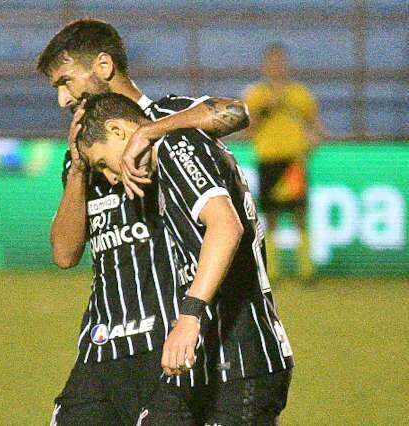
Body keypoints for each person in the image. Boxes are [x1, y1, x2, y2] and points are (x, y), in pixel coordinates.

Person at [36, 19, 249, 425]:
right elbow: (64, 254)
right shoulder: (86, 150)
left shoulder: (172, 120)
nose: (64, 98)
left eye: (65, 81)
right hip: (101, 348)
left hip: (165, 347)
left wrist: (150, 132)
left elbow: (238, 112)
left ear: (103, 65)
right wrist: (79, 170)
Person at [77, 92, 294, 425]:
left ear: (119, 131)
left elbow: (225, 227)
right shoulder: (167, 159)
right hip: (211, 364)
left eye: (104, 162)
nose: (109, 177)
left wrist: (189, 316)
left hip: (240, 362)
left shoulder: (175, 148)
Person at [243, 43, 327, 282]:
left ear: (286, 64)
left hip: (293, 162)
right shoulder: (256, 95)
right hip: (268, 159)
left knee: (299, 213)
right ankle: (274, 271)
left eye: (280, 61)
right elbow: (249, 128)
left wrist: (313, 142)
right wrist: (264, 110)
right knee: (270, 217)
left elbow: (316, 125)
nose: (276, 66)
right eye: (272, 61)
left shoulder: (299, 94)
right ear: (265, 65)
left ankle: (306, 271)